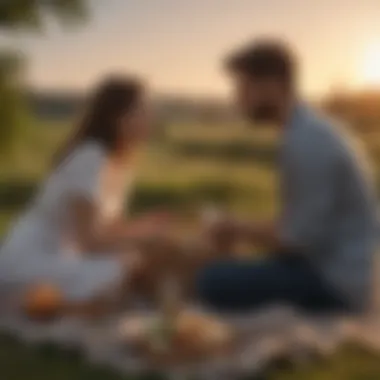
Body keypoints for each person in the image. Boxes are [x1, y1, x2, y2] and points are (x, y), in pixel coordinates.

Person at [196, 39, 378, 314]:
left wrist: (233, 228)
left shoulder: (308, 142)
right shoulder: (305, 130)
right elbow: (299, 227)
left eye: (243, 88)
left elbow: (296, 240)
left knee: (211, 280)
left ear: (271, 86)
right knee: (230, 271)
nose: (238, 99)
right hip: (326, 261)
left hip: (336, 281)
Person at [0, 75, 171, 312]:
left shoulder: (119, 164)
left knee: (131, 262)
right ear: (116, 117)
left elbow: (107, 229)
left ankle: (79, 300)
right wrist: (145, 239)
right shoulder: (89, 157)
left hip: (68, 257)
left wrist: (146, 227)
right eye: (142, 111)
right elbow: (89, 242)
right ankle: (45, 301)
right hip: (31, 258)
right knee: (122, 266)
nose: (150, 118)